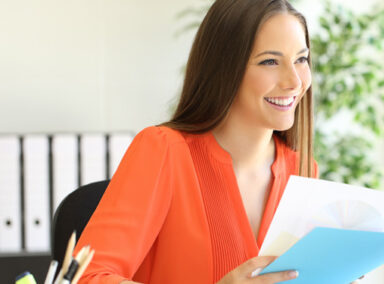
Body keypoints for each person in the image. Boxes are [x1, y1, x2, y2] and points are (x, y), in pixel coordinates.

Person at [73, 0, 316, 283]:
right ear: (225, 70)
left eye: (301, 59)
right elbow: (86, 277)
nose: (294, 81)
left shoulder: (302, 169)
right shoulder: (163, 152)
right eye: (270, 61)